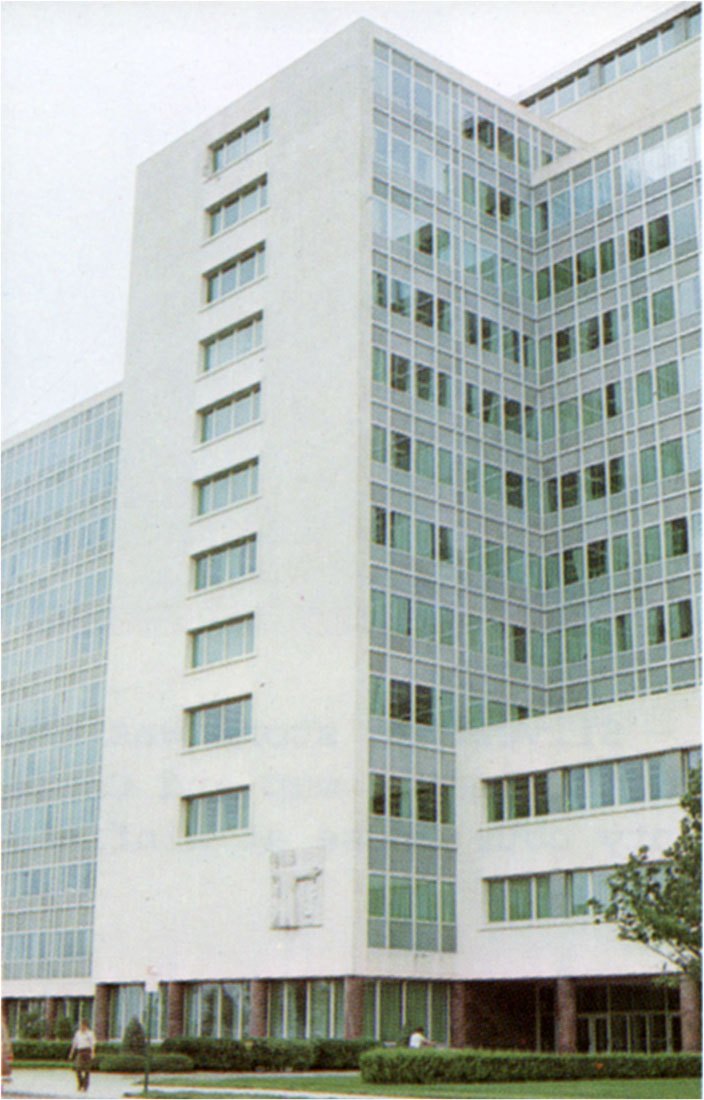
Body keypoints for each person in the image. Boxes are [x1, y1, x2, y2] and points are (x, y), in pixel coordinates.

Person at [68, 1019, 96, 1092]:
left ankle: (85, 1086)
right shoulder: (77, 1033)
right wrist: (71, 1053)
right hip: (80, 1051)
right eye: (81, 1025)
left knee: (87, 1070)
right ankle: (80, 1084)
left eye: (84, 1025)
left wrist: (92, 1053)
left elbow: (92, 1044)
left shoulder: (90, 1033)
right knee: (78, 1069)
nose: (82, 1027)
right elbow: (75, 1044)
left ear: (86, 1026)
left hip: (87, 1051)